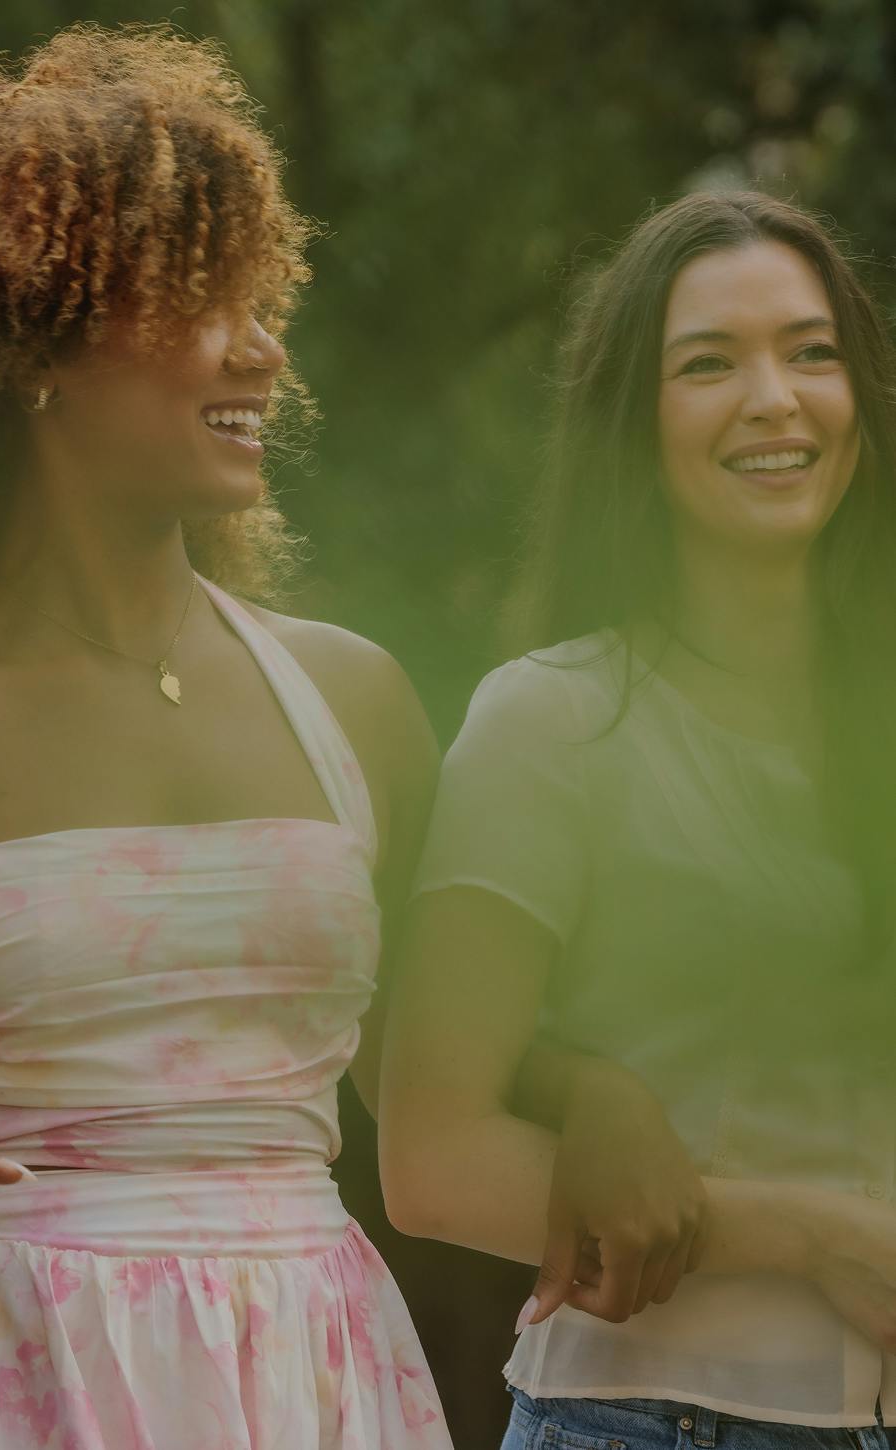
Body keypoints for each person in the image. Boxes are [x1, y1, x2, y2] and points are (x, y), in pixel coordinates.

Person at [0, 24, 453, 1449]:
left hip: (310, 1367)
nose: (260, 346)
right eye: (204, 299)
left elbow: (448, 1103)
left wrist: (605, 1093)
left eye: (262, 298)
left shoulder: (357, 701)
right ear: (32, 352)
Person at [379, 190, 896, 1447]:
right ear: (636, 423)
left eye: (811, 351)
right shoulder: (552, 721)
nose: (775, 397)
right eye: (709, 364)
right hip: (664, 1417)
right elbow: (431, 1155)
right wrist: (814, 1235)